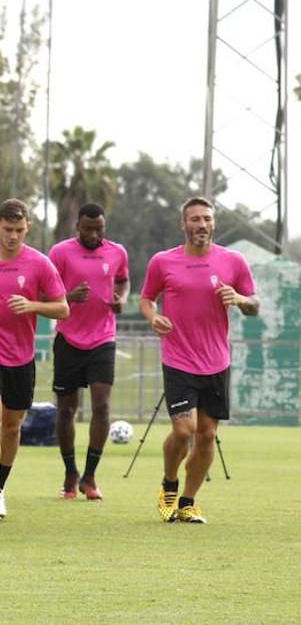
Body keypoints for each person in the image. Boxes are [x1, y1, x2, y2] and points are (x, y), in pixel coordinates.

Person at [140, 197, 258, 524]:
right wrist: (152, 317)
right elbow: (147, 299)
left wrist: (240, 298)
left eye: (206, 218)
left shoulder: (233, 261)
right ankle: (168, 483)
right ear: (184, 224)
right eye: (194, 219)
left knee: (206, 434)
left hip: (217, 361)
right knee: (184, 429)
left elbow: (255, 304)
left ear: (213, 223)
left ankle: (188, 502)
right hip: (178, 358)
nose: (201, 224)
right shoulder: (163, 262)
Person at [0, 198, 69, 519]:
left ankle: (1, 485)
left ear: (27, 228)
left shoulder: (40, 264)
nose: (13, 236)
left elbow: (63, 308)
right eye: (8, 229)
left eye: (19, 230)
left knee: (11, 426)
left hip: (21, 357)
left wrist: (33, 306)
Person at [48, 202, 129, 500]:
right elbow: (43, 291)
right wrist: (67, 296)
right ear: (77, 227)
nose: (95, 234)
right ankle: (70, 471)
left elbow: (123, 279)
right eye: (88, 229)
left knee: (102, 406)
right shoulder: (60, 253)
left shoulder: (117, 252)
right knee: (67, 409)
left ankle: (90, 476)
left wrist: (123, 298)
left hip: (103, 339)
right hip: (68, 338)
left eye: (100, 229)